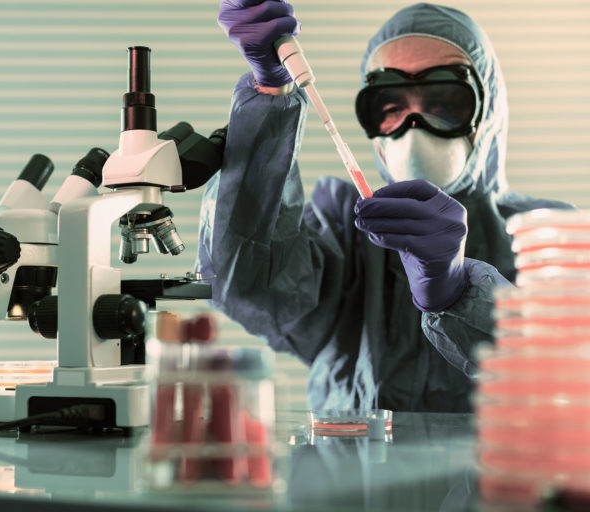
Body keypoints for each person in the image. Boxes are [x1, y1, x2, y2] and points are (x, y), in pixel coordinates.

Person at [196, 1, 573, 412]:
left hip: (501, 475)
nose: (414, 125)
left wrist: (462, 294)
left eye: (445, 102)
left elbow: (566, 376)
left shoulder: (547, 236)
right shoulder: (343, 226)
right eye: (391, 106)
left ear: (487, 112)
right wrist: (271, 96)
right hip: (350, 473)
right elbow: (245, 284)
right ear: (373, 128)